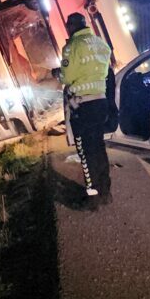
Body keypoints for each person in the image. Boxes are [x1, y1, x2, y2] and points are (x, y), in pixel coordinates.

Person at [58, 12, 114, 209]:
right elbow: (105, 72)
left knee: (85, 151)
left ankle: (92, 197)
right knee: (98, 148)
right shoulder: (101, 44)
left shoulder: (72, 47)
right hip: (100, 102)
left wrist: (59, 73)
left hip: (82, 106)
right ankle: (105, 192)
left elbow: (67, 77)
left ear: (71, 26)